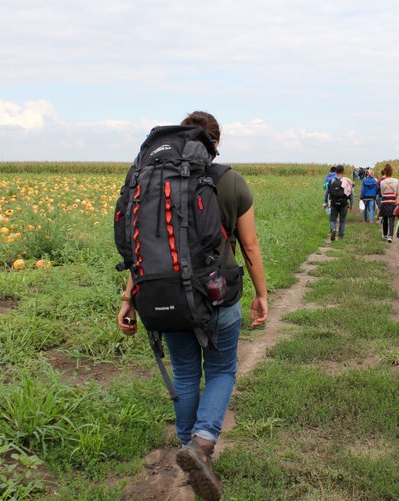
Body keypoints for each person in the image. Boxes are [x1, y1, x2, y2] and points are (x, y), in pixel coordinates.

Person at [117, 111, 268, 501]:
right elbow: (249, 246)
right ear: (214, 143)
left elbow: (142, 248)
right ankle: (200, 446)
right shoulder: (229, 180)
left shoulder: (151, 181)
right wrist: (262, 295)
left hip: (162, 295)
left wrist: (127, 299)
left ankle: (190, 451)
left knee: (185, 376)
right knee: (221, 370)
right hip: (217, 295)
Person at [328, 165, 354, 241]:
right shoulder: (347, 181)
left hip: (333, 203)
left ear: (336, 172)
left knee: (332, 219)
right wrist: (352, 204)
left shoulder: (332, 181)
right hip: (344, 203)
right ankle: (340, 236)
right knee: (342, 220)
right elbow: (351, 194)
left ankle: (333, 229)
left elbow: (327, 193)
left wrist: (325, 202)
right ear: (343, 172)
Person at [378, 164, 399, 242]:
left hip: (384, 201)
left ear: (385, 172)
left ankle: (385, 234)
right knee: (392, 219)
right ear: (391, 172)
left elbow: (381, 192)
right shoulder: (396, 181)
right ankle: (390, 236)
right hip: (393, 201)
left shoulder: (382, 182)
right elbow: (397, 192)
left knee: (385, 218)